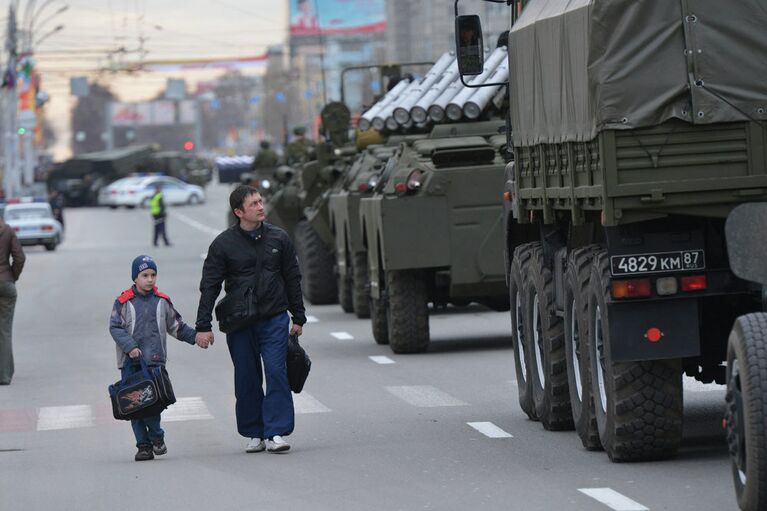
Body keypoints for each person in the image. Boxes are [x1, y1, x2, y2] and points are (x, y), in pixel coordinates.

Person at [195, 185, 306, 453]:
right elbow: (209, 285)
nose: (260, 207)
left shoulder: (279, 238)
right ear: (238, 211)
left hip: (274, 318)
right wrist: (203, 326)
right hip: (240, 323)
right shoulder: (223, 244)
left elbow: (293, 277)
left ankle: (276, 432)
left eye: (260, 201)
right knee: (246, 377)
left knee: (277, 372)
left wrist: (298, 316)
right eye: (254, 204)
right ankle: (254, 432)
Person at [109, 255, 204, 461]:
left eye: (153, 275)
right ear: (135, 278)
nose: (150, 279)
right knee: (134, 406)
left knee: (152, 404)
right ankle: (143, 446)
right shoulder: (123, 302)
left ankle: (157, 437)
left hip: (155, 362)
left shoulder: (162, 301)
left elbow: (176, 326)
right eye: (144, 275)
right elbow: (115, 327)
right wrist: (130, 347)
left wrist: (196, 337)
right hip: (130, 364)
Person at [0, 215, 25, 385]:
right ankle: (4, 375)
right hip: (5, 283)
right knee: (4, 330)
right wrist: (12, 277)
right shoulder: (7, 230)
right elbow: (20, 257)